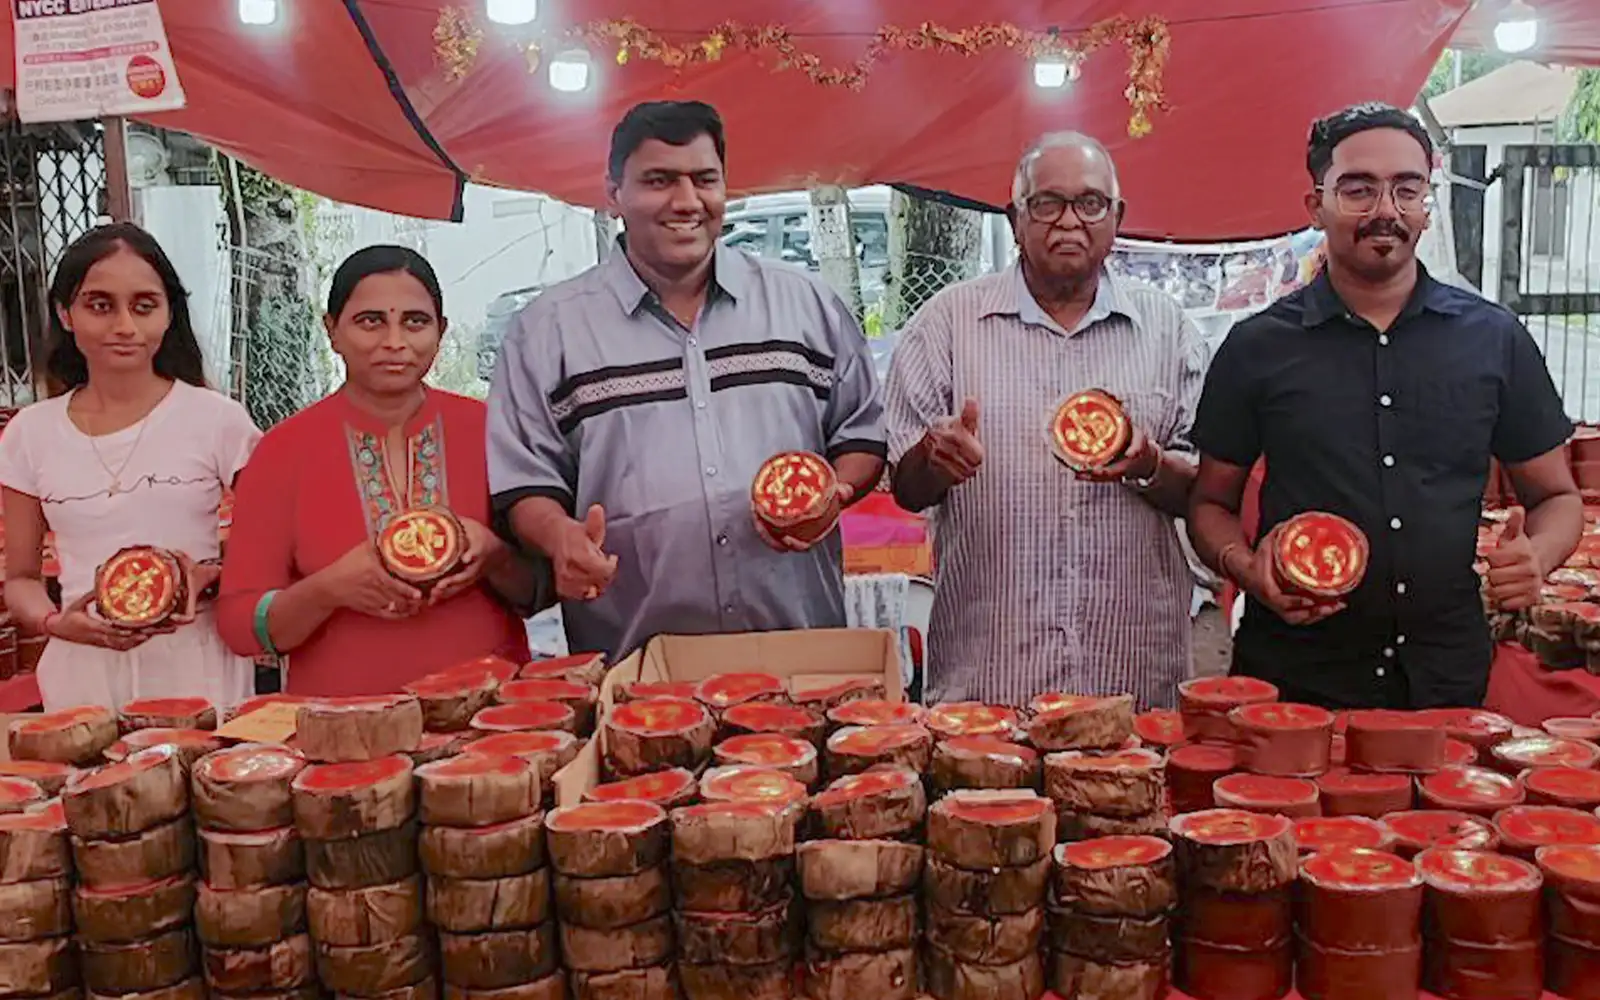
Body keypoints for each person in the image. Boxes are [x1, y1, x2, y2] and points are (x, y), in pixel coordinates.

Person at [1188, 103, 1582, 710]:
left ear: (1428, 201)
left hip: (1446, 681)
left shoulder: (1493, 339)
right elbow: (1209, 503)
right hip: (1295, 680)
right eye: (1358, 190)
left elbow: (1556, 497)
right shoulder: (1257, 347)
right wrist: (1247, 569)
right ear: (1315, 205)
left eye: (1407, 189)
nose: (1385, 212)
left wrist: (1540, 556)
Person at [487, 100, 886, 660]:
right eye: (658, 180)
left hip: (802, 657)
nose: (686, 202)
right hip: (637, 669)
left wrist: (836, 491)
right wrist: (560, 538)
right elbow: (526, 482)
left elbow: (861, 437)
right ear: (614, 193)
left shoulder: (806, 306)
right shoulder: (548, 331)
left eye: (705, 179)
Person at [884, 132, 1204, 709]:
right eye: (1046, 203)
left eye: (1090, 204)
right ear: (1014, 217)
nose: (1069, 223)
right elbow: (906, 490)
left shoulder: (1167, 328)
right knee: (981, 800)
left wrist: (1149, 463)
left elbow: (1206, 493)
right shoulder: (947, 325)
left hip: (1129, 670)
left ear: (1117, 216)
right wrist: (934, 463)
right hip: (991, 674)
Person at [217, 246, 545, 695]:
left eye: (415, 321)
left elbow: (540, 591)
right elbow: (239, 626)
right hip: (346, 730)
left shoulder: (491, 432)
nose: (395, 342)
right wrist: (329, 589)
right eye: (370, 321)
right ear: (331, 330)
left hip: (492, 720)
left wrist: (494, 556)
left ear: (441, 330)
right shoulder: (282, 451)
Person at [0, 223, 260, 711]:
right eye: (100, 305)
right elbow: (21, 579)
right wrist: (56, 623)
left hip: (197, 666)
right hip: (82, 674)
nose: (124, 326)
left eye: (144, 306)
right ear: (66, 313)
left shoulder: (218, 420)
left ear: (168, 314)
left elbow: (274, 546)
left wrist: (209, 575)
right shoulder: (29, 435)